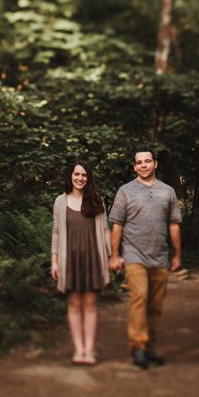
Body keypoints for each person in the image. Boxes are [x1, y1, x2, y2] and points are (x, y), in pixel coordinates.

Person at [107, 146, 181, 370]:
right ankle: (138, 347)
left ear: (155, 164)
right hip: (133, 255)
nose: (143, 165)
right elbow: (117, 225)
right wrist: (114, 255)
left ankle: (149, 347)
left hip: (160, 257)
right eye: (139, 162)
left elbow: (174, 224)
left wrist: (177, 254)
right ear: (134, 166)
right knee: (139, 297)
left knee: (155, 306)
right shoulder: (125, 191)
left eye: (147, 161)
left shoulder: (168, 192)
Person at [50, 160, 113, 365]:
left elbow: (104, 230)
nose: (80, 178)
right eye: (76, 174)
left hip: (93, 258)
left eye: (84, 175)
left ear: (89, 178)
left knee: (90, 304)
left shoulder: (96, 199)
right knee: (75, 304)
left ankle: (89, 350)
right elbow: (56, 232)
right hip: (70, 260)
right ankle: (78, 350)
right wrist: (55, 260)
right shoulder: (60, 201)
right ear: (70, 176)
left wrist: (111, 256)